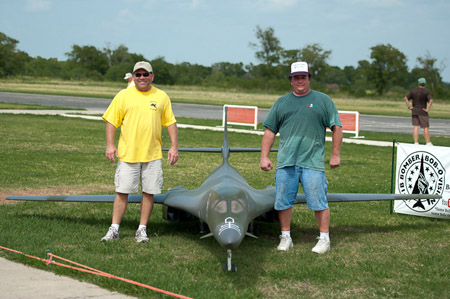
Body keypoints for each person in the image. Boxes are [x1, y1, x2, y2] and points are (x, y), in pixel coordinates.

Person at [260, 61, 343, 254]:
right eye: (296, 77)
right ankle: (285, 237)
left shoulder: (323, 100)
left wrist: (335, 154)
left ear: (309, 78)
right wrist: (264, 157)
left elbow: (336, 127)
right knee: (283, 201)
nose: (300, 81)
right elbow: (269, 132)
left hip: (312, 162)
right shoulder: (281, 103)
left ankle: (324, 239)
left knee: (318, 201)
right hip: (286, 162)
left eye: (303, 77)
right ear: (290, 80)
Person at [101, 61, 179, 243]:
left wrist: (174, 146)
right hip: (128, 154)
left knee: (149, 192)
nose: (142, 78)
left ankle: (142, 229)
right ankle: (114, 229)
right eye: (138, 75)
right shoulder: (123, 95)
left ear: (152, 76)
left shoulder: (161, 96)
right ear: (134, 77)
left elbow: (170, 122)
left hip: (153, 155)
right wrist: (110, 145)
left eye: (146, 74)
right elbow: (111, 121)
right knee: (122, 191)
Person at [404, 78, 433, 146]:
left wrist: (409, 107)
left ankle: (416, 142)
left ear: (418, 83)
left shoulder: (413, 91)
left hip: (414, 110)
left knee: (416, 126)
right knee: (425, 127)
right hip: (422, 111)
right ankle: (428, 142)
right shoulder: (426, 92)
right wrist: (428, 109)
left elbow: (406, 98)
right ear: (424, 84)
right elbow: (431, 101)